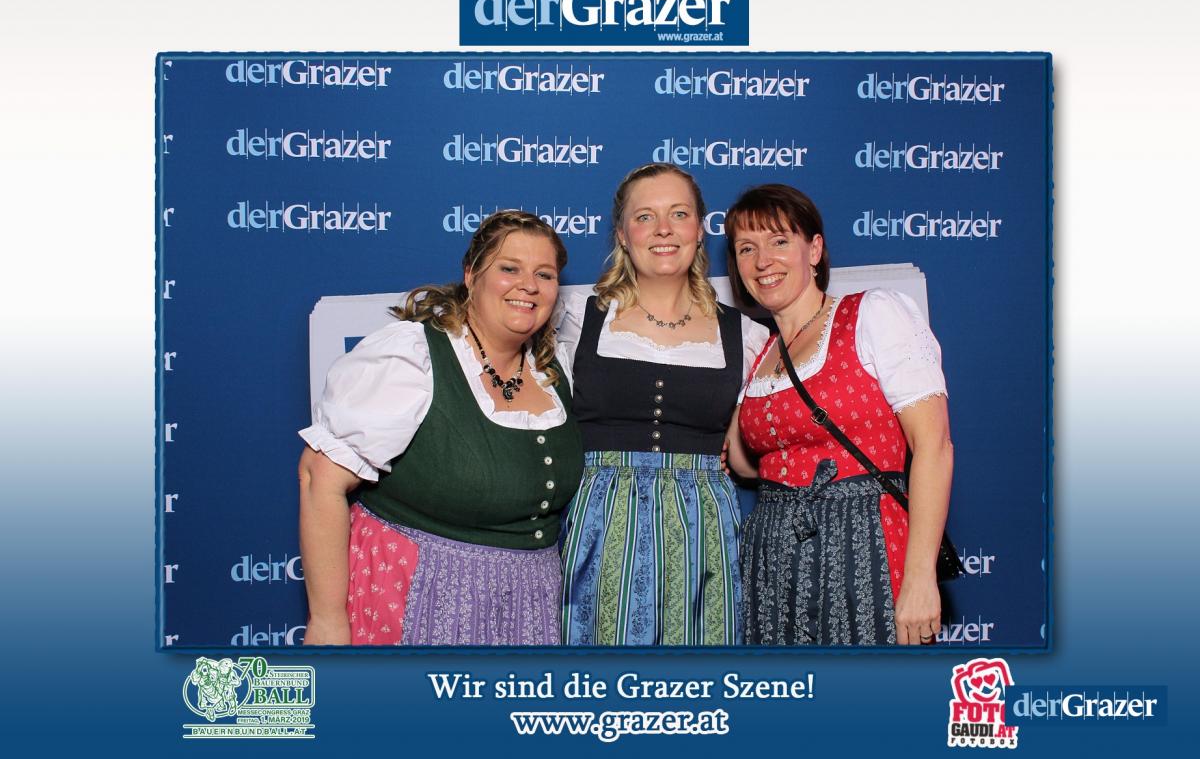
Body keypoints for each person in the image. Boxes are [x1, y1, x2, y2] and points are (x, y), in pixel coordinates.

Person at [297, 210, 583, 646]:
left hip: (528, 606)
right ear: (471, 274)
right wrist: (327, 622)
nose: (529, 285)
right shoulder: (414, 357)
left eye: (544, 274)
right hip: (419, 593)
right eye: (509, 268)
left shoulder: (553, 369)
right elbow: (319, 479)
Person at [725, 184, 953, 646]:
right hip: (773, 558)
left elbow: (934, 447)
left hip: (864, 542)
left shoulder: (873, 314)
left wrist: (920, 577)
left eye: (779, 241)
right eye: (747, 248)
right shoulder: (761, 351)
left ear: (814, 250)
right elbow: (748, 464)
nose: (763, 260)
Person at [558, 163, 769, 645]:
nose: (663, 229)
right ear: (622, 234)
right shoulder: (575, 319)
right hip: (599, 522)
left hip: (703, 529)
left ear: (700, 229)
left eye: (679, 213)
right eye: (644, 217)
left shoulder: (747, 335)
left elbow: (760, 443)